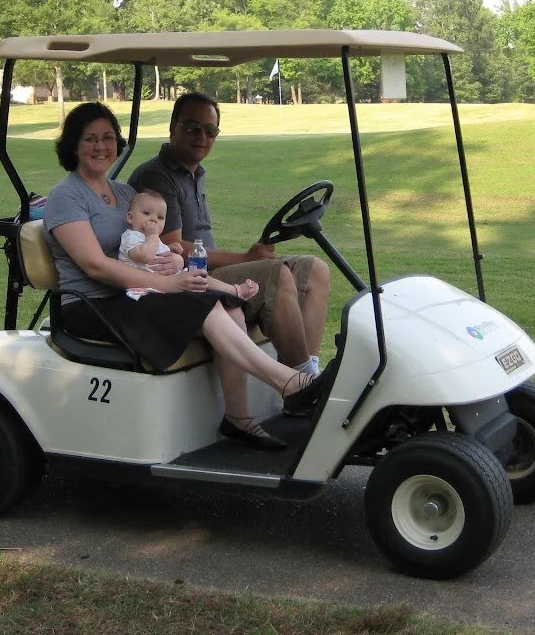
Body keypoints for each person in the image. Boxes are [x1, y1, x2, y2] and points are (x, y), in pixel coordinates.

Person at [43, 101, 320, 450]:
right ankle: (290, 382)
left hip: (135, 294)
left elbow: (154, 242)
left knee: (229, 303)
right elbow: (95, 265)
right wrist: (169, 283)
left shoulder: (125, 193)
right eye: (90, 139)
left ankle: (238, 416)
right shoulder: (65, 197)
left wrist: (174, 262)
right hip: (94, 305)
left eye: (108, 138)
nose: (101, 147)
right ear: (72, 144)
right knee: (200, 303)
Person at [128, 91, 331, 380]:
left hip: (208, 273)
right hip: (186, 282)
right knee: (277, 275)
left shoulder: (194, 173)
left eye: (210, 131)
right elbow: (175, 248)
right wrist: (246, 258)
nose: (202, 137)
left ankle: (309, 369)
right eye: (192, 128)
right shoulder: (157, 176)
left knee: (315, 270)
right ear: (173, 127)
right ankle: (304, 386)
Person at [118, 189, 260, 302]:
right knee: (197, 278)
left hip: (168, 281)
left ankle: (234, 291)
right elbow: (145, 256)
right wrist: (153, 236)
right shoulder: (131, 237)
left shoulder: (149, 238)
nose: (153, 220)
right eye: (147, 213)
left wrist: (169, 249)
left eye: (160, 217)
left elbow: (156, 252)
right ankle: (233, 291)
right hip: (149, 287)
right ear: (130, 217)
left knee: (200, 275)